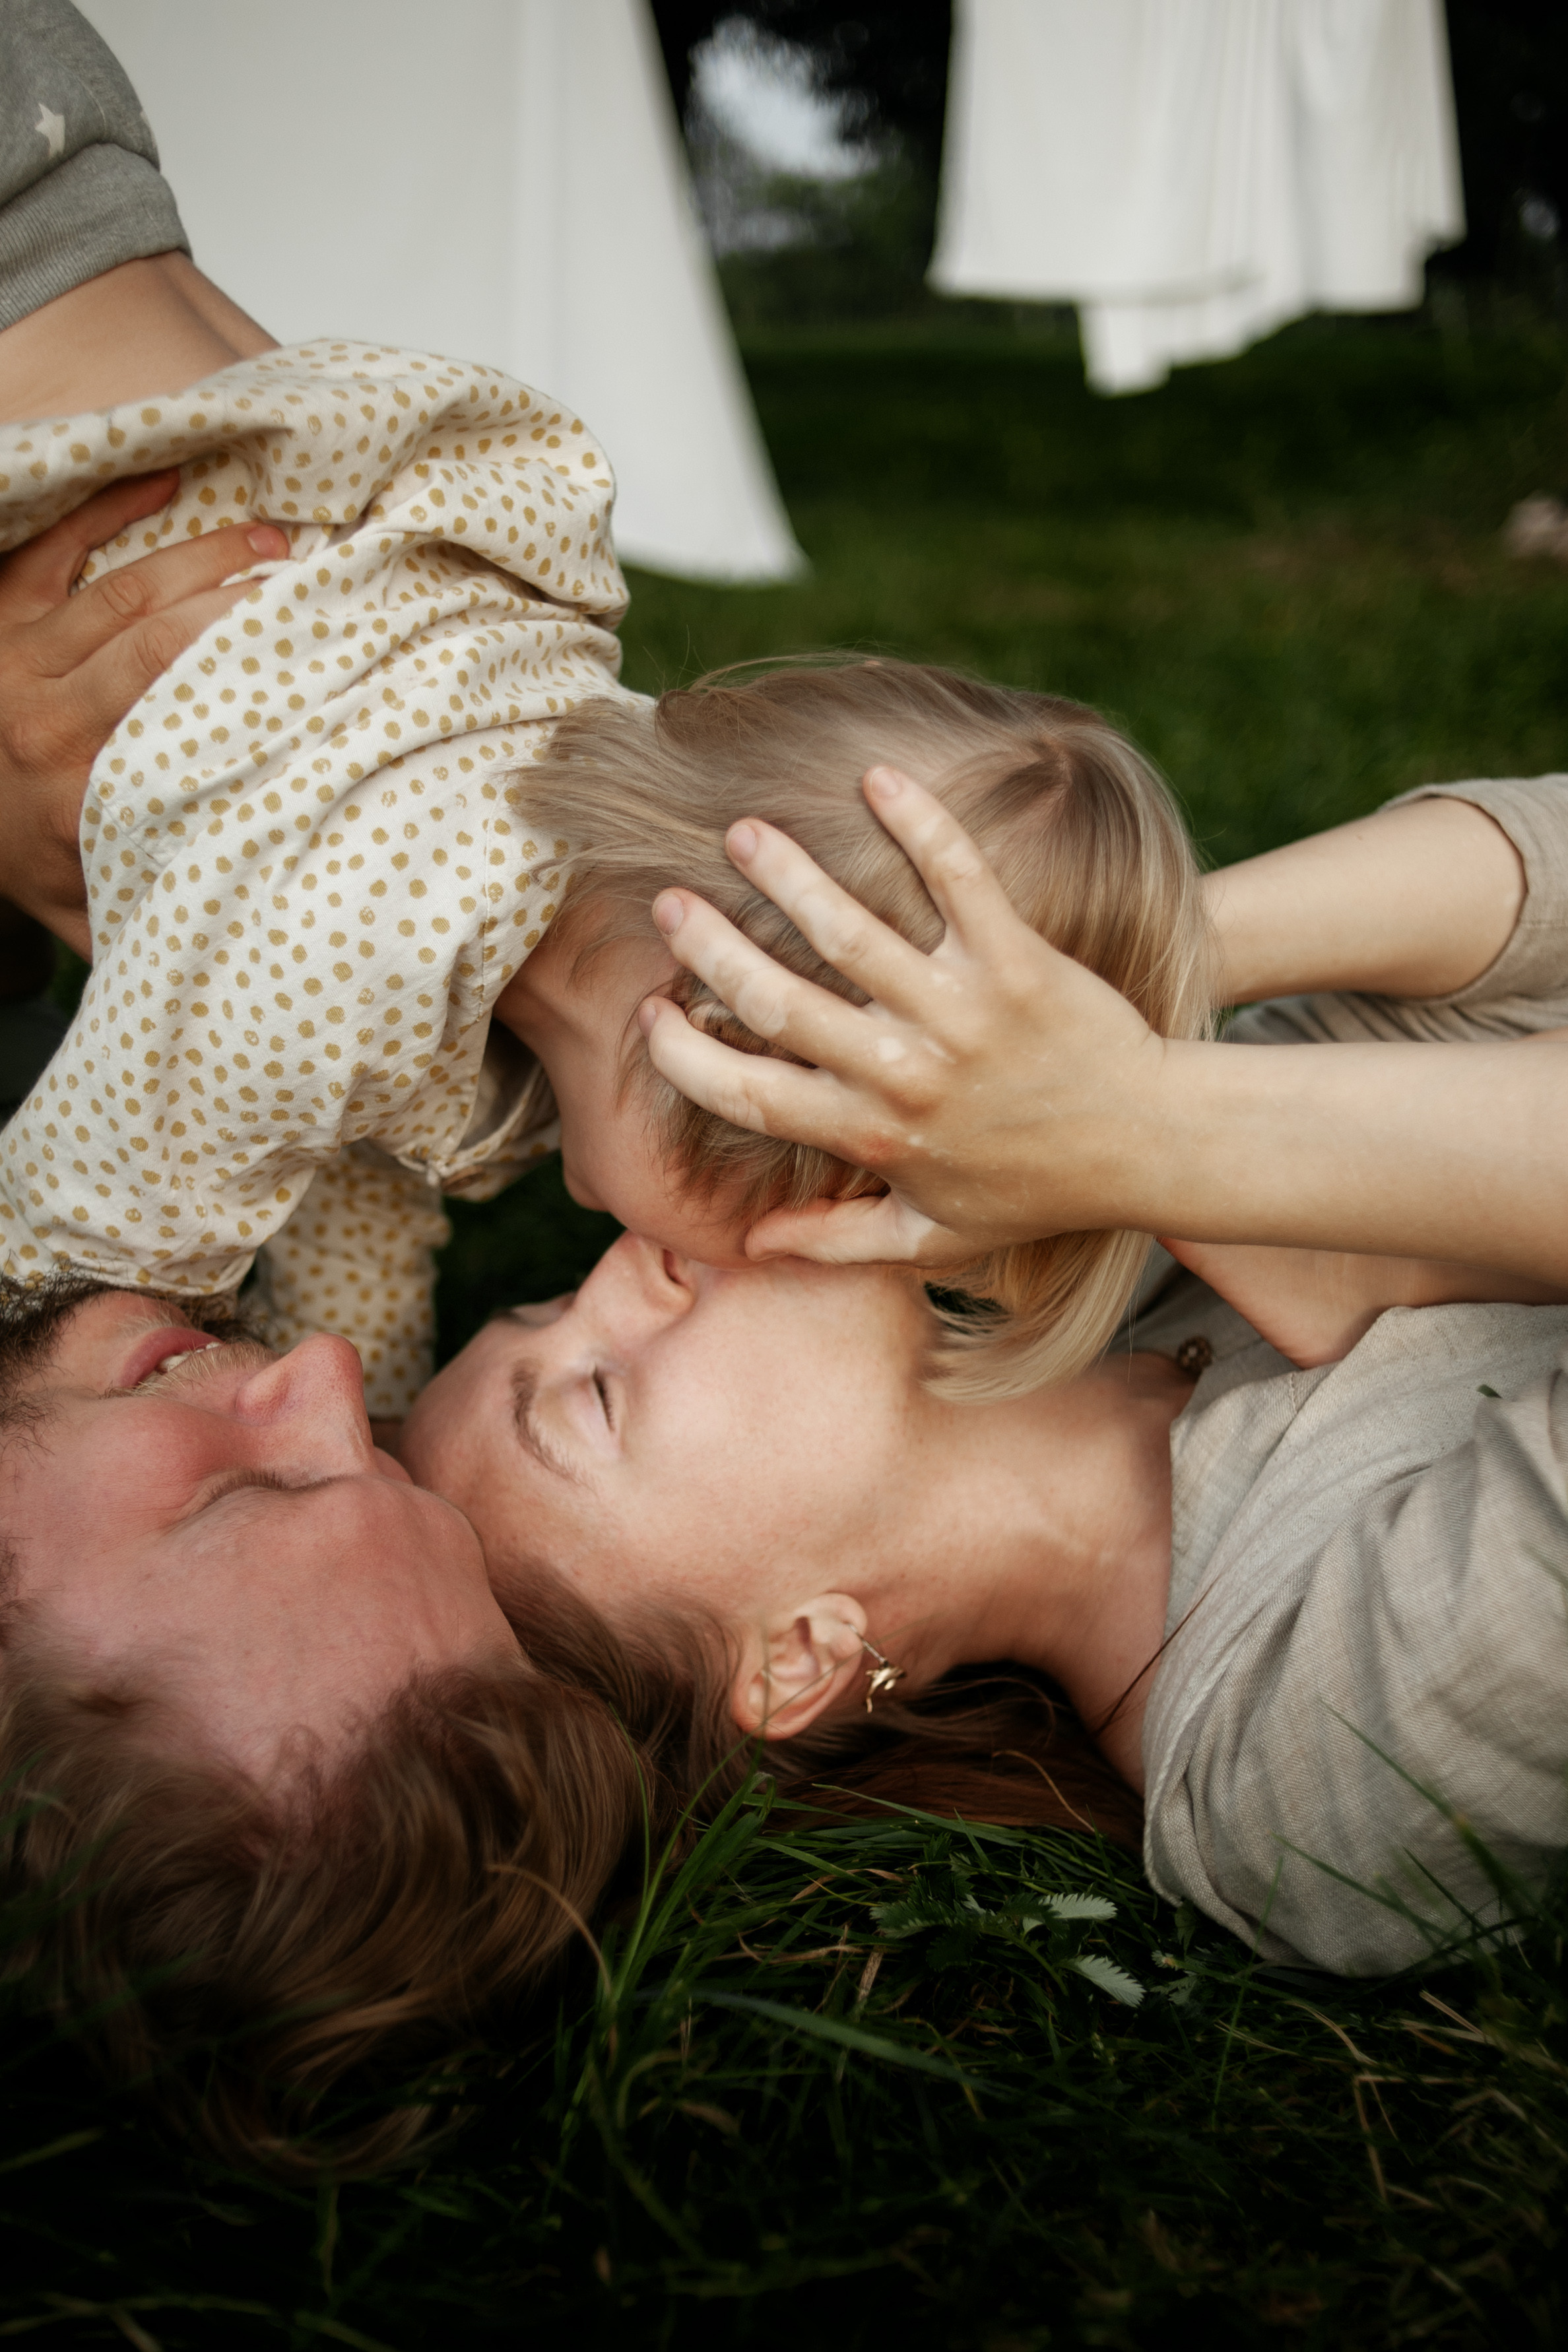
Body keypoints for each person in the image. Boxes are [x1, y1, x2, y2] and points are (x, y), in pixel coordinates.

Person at [401, 766, 1568, 1977]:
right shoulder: (1307, 1775)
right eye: (596, 1392)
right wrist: (1165, 1128)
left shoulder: (1132, 1268)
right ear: (802, 1652)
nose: (623, 1265)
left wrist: (1140, 971)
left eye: (545, 1300)